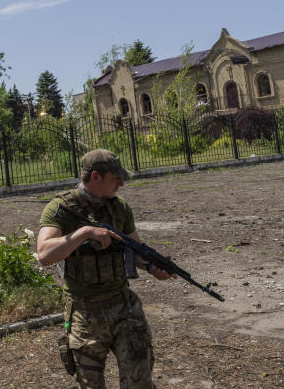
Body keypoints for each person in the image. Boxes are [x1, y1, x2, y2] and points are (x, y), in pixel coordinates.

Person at [37, 149, 171, 389]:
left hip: (124, 307)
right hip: (84, 313)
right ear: (95, 176)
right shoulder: (60, 207)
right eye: (115, 178)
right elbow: (44, 254)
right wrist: (85, 233)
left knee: (139, 382)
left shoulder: (120, 208)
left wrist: (152, 267)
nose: (121, 183)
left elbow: (135, 249)